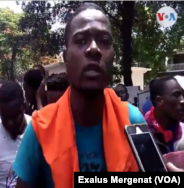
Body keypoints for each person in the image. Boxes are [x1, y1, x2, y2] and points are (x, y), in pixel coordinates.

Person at [13, 3, 147, 187]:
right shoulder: (41, 129)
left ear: (113, 57)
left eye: (104, 40)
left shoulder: (133, 121)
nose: (94, 49)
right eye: (81, 40)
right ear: (66, 57)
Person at [145, 76, 184, 154]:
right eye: (176, 95)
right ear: (159, 101)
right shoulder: (143, 135)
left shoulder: (182, 132)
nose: (182, 100)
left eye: (183, 95)